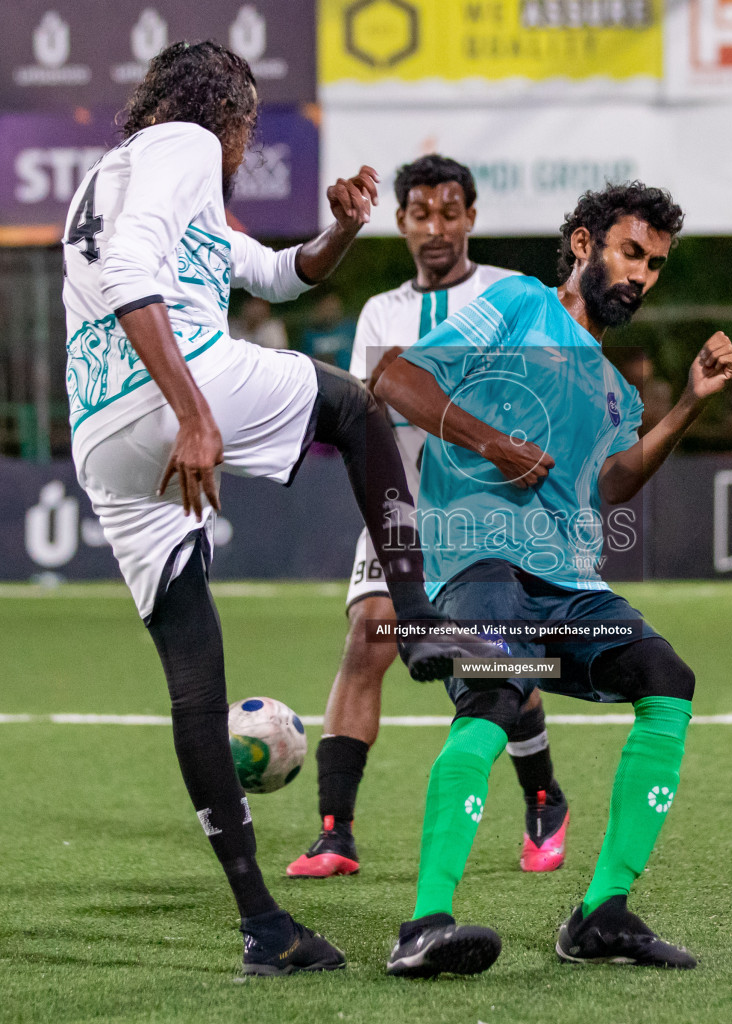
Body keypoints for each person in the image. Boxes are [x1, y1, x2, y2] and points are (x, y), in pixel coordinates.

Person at [58, 41, 498, 976]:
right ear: (223, 109)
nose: (248, 140)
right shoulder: (180, 145)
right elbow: (131, 270)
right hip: (163, 384)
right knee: (356, 403)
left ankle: (266, 925)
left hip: (98, 432)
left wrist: (338, 232)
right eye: (249, 121)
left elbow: (275, 275)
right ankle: (420, 623)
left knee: (193, 670)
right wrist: (190, 414)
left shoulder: (125, 172)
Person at [374, 182, 732, 977]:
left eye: (655, 265)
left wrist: (687, 407)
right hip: (480, 561)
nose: (641, 275)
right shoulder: (512, 306)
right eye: (630, 252)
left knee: (665, 678)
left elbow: (611, 485)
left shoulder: (616, 387)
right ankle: (424, 924)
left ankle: (602, 913)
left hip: (567, 588)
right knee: (499, 691)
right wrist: (492, 443)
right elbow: (395, 381)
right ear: (583, 245)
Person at [287, 155, 570, 881]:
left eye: (450, 212)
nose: (436, 227)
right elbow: (377, 402)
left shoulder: (512, 294)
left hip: (492, 514)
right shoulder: (382, 311)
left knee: (490, 661)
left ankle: (544, 799)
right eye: (421, 214)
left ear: (471, 218)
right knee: (367, 638)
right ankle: (335, 832)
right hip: (403, 507)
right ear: (403, 222)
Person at [300, 292, 356, 369]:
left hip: (351, 376)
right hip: (325, 378)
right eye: (327, 308)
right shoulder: (310, 336)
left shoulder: (350, 328)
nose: (331, 312)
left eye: (333, 308)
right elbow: (307, 362)